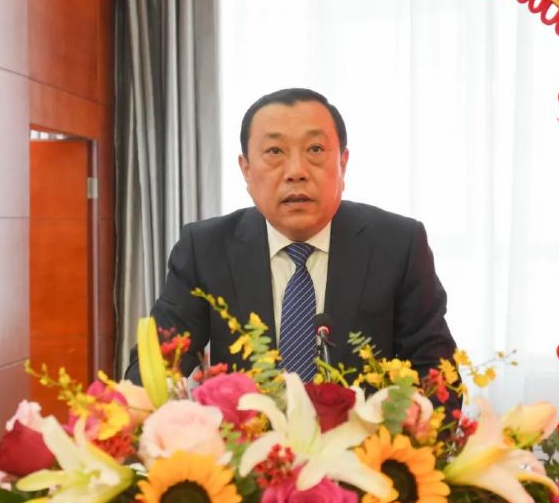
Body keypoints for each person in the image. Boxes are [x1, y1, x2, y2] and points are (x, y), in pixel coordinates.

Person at [125, 88, 457, 389]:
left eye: (315, 149)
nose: (296, 171)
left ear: (343, 163)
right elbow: (153, 368)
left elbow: (435, 375)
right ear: (246, 170)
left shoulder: (398, 246)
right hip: (243, 438)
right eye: (274, 151)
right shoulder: (205, 249)